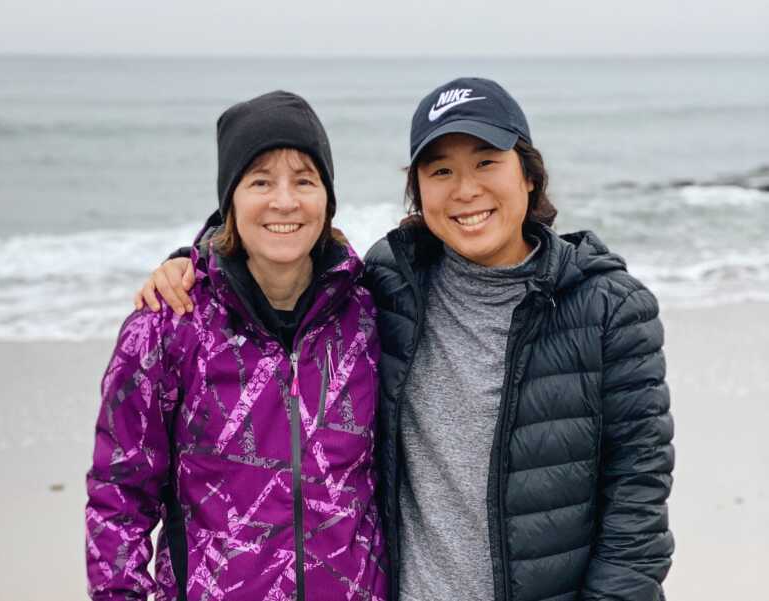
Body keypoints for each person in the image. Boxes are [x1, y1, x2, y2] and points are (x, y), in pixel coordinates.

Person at [137, 78, 674, 601]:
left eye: (487, 162)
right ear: (418, 193)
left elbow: (638, 501)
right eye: (440, 171)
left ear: (530, 176)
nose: (466, 190)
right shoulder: (388, 285)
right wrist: (194, 261)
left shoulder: (611, 310)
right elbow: (281, 249)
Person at [86, 90, 387, 600]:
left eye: (305, 181)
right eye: (261, 181)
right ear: (230, 200)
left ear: (328, 199)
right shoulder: (168, 325)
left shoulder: (370, 314)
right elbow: (120, 496)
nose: (285, 201)